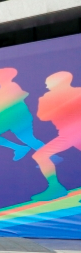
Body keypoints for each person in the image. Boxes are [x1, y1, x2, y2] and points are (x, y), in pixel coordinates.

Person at [31, 71, 81, 201]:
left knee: (41, 155)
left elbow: (44, 116)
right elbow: (43, 116)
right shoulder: (47, 98)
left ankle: (55, 188)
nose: (47, 86)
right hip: (67, 135)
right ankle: (55, 188)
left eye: (48, 83)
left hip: (73, 133)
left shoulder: (76, 93)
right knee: (40, 155)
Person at [0, 68, 45, 161]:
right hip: (12, 118)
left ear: (4, 76)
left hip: (14, 118)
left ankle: (21, 149)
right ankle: (51, 157)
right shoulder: (4, 88)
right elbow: (8, 101)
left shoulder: (11, 86)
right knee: (29, 139)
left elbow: (13, 100)